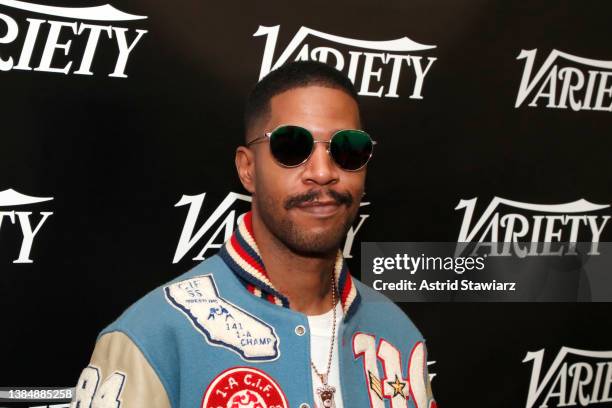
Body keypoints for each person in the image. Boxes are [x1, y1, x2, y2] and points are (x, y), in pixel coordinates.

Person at [70, 61, 436, 408]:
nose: (323, 172)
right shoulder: (153, 336)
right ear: (247, 169)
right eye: (292, 147)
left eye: (347, 148)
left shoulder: (398, 334)